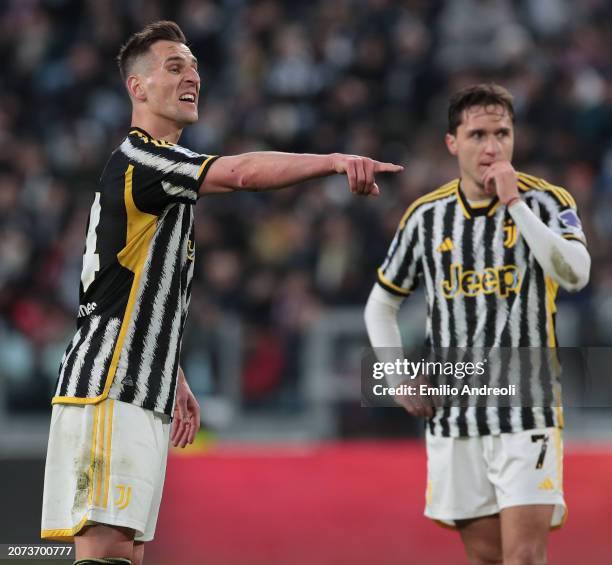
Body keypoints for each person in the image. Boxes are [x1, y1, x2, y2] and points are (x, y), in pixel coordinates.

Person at [40, 20, 402, 565]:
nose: (193, 76)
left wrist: (173, 371)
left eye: (195, 66)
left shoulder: (153, 177)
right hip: (111, 389)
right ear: (138, 88)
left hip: (138, 386)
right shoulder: (146, 161)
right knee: (105, 548)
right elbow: (241, 173)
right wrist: (332, 161)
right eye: (174, 66)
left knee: (123, 552)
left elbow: (116, 286)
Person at [364, 83, 590, 564]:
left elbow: (576, 273)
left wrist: (516, 207)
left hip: (528, 411)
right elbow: (380, 304)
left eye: (503, 133)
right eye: (478, 134)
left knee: (525, 557)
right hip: (455, 414)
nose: (492, 147)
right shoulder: (426, 217)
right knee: (487, 559)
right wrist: (395, 375)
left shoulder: (546, 202)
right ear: (453, 143)